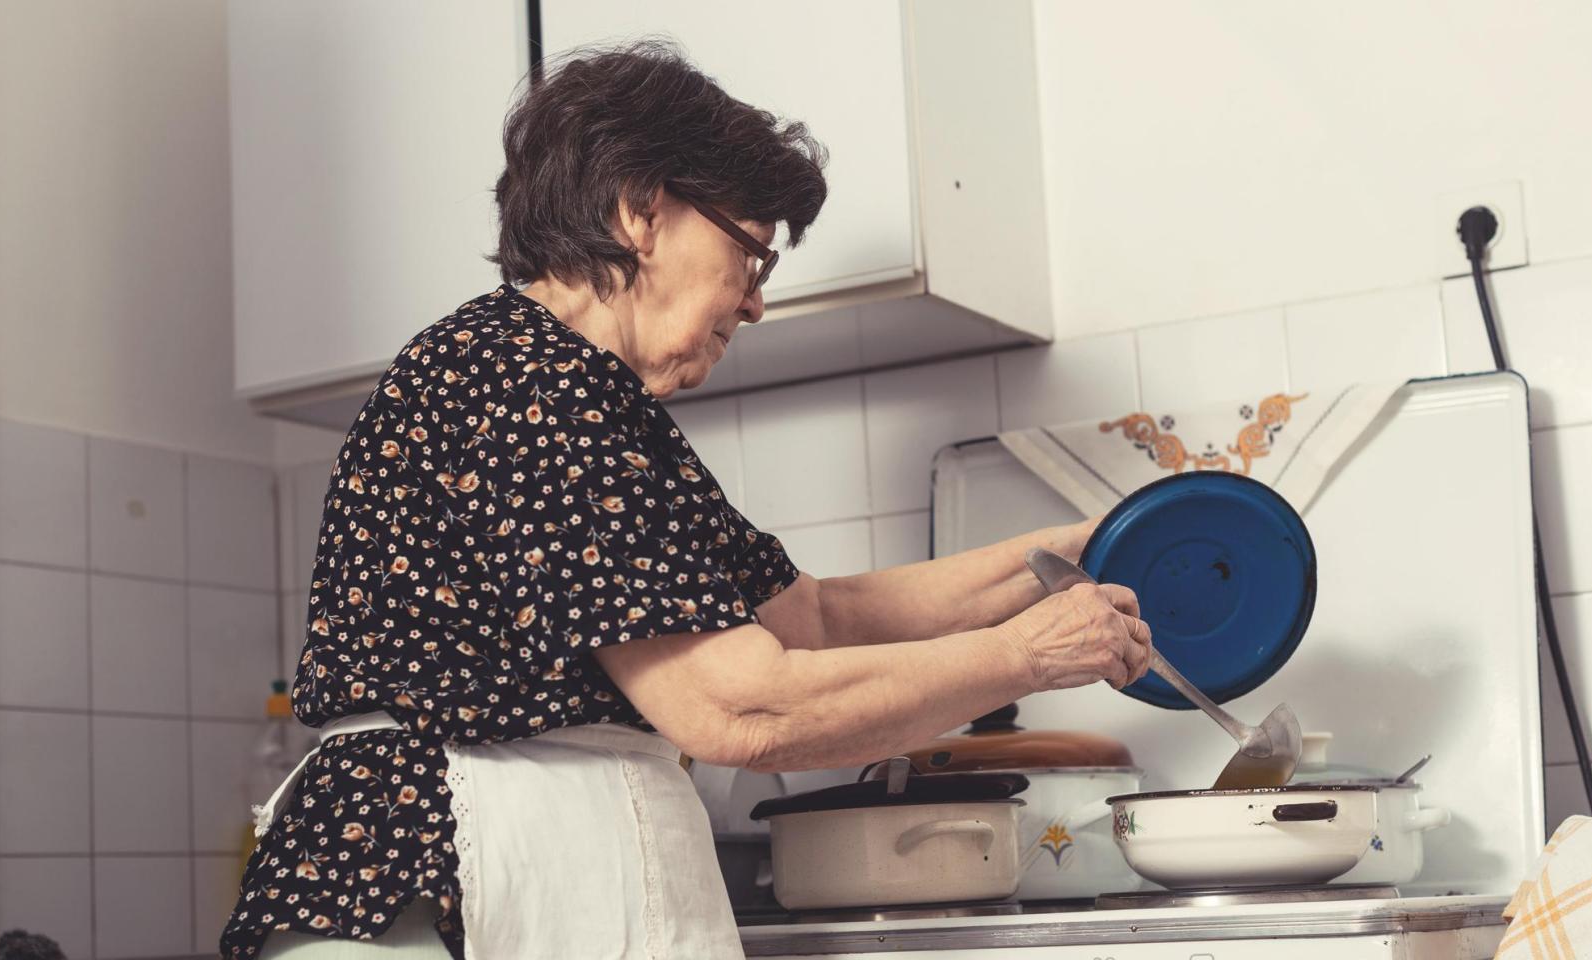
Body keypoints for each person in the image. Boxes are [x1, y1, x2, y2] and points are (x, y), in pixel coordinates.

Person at [221, 41, 1151, 960]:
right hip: (431, 883)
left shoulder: (603, 410)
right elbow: (738, 708)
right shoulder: (521, 382)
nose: (753, 305)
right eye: (752, 256)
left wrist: (1071, 555)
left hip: (512, 860)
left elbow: (814, 620)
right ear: (642, 212)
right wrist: (1027, 657)